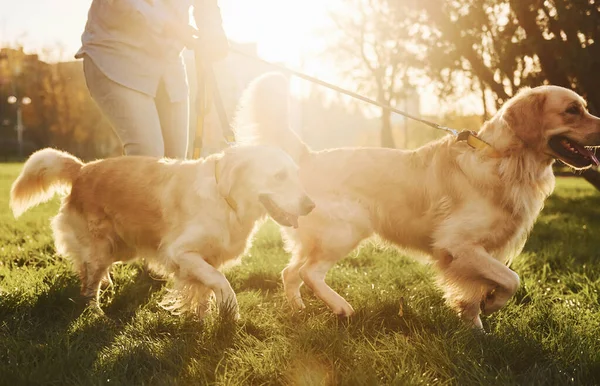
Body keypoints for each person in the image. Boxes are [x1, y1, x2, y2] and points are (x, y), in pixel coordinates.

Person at [75, 0, 229, 158]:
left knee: (176, 164)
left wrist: (214, 33)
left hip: (168, 62)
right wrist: (169, 25)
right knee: (148, 156)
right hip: (116, 55)